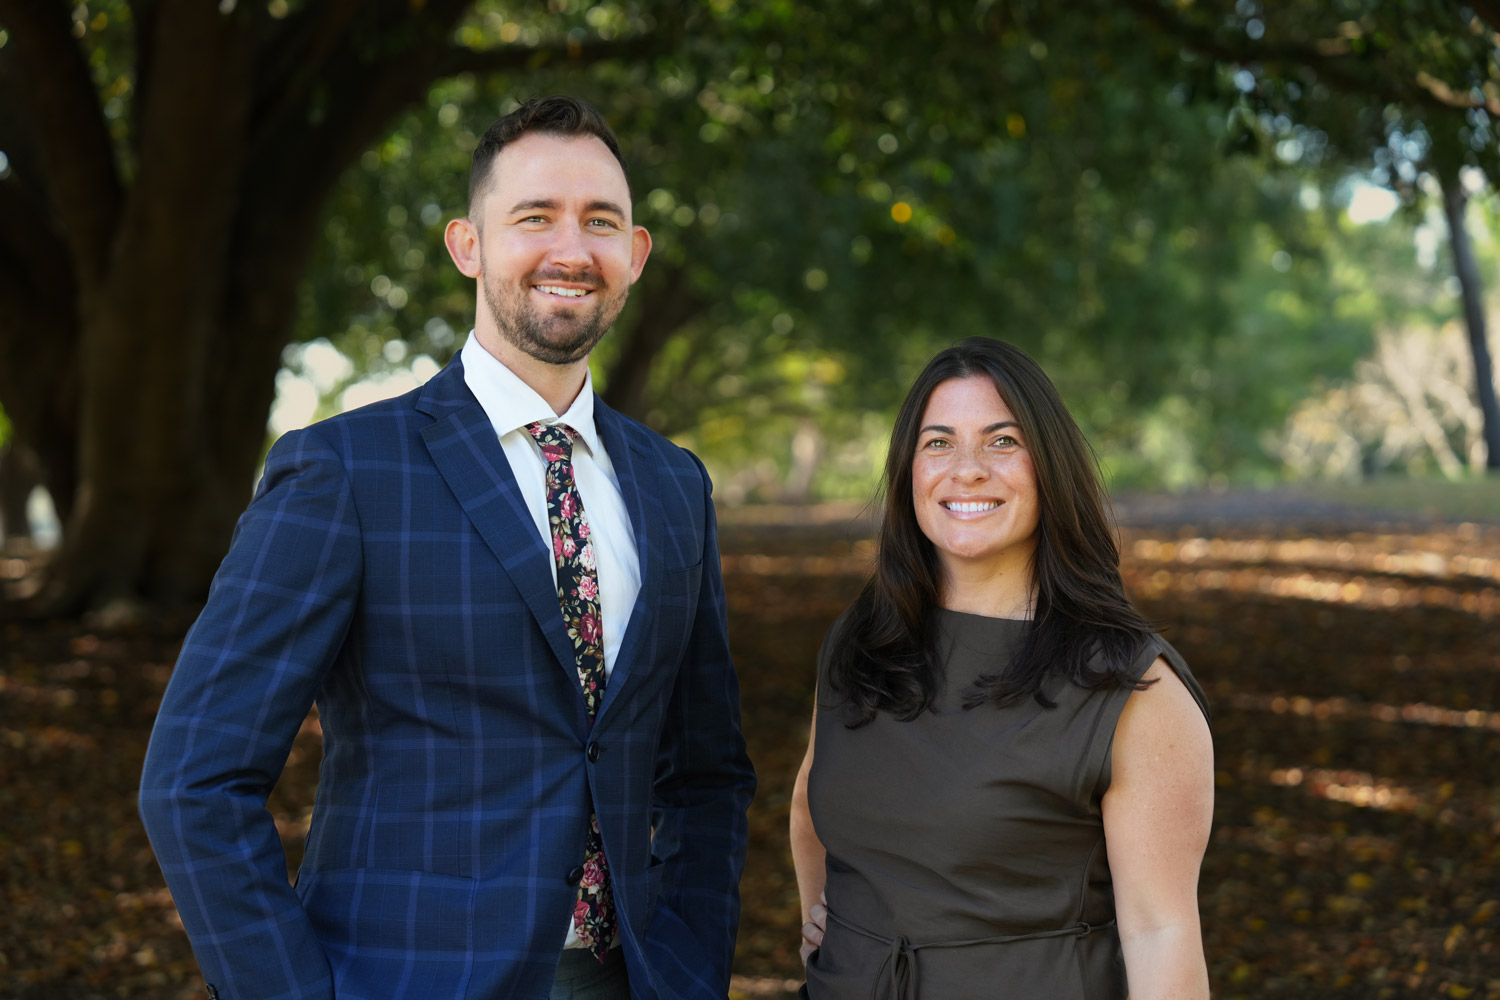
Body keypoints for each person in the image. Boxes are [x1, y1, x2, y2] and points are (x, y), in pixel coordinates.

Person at [139, 96, 756, 1000]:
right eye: (535, 217)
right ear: (468, 245)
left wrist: (693, 965)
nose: (571, 249)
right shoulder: (345, 471)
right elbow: (195, 780)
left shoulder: (674, 485)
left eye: (600, 222)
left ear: (635, 253)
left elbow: (707, 774)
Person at [788, 337, 1213, 999]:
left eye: (1002, 441)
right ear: (907, 471)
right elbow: (810, 807)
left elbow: (1163, 935)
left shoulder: (1131, 688)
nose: (968, 470)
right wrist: (831, 929)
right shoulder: (861, 640)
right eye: (939, 443)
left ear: (1050, 467)